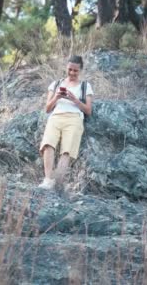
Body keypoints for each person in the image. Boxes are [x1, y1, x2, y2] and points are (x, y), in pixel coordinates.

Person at [38, 55, 94, 190]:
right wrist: (57, 96)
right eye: (70, 69)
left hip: (74, 118)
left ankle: (57, 184)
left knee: (67, 151)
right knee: (48, 144)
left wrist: (75, 99)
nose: (72, 73)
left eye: (75, 70)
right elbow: (47, 108)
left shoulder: (85, 86)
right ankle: (47, 180)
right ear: (66, 68)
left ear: (80, 70)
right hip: (56, 117)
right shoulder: (56, 84)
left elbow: (88, 110)